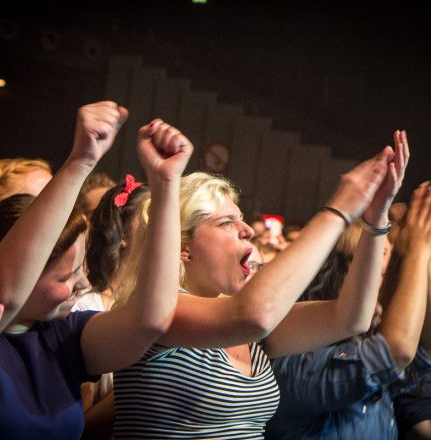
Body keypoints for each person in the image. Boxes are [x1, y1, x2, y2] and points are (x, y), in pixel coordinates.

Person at [111, 126, 408, 438]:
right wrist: (340, 210)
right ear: (183, 246)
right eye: (226, 222)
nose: (247, 230)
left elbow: (350, 318)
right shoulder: (159, 310)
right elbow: (255, 315)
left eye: (241, 219)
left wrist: (376, 219)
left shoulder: (247, 329)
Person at [0, 100, 193, 439]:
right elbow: (6, 292)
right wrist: (81, 160)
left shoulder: (61, 335)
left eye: (80, 268)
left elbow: (151, 320)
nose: (83, 283)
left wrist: (165, 185)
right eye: (65, 277)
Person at [265, 181, 431, 440]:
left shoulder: (370, 334)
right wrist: (418, 251)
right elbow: (394, 351)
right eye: (387, 254)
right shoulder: (294, 358)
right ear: (351, 271)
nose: (393, 265)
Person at [74, 177, 149, 440]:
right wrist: (140, 385)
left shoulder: (168, 306)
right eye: (151, 216)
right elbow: (80, 425)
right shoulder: (88, 308)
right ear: (124, 235)